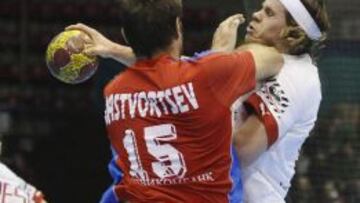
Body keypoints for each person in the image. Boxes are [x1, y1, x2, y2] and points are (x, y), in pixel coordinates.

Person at [68, 0, 283, 202]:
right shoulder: (209, 75)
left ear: (125, 34)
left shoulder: (114, 93)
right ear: (178, 28)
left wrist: (112, 49)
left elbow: (163, 73)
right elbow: (274, 60)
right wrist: (219, 55)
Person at [231, 0, 330, 202]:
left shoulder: (298, 76)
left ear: (292, 32)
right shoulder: (262, 60)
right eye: (261, 8)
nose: (257, 15)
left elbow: (242, 148)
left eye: (269, 13)